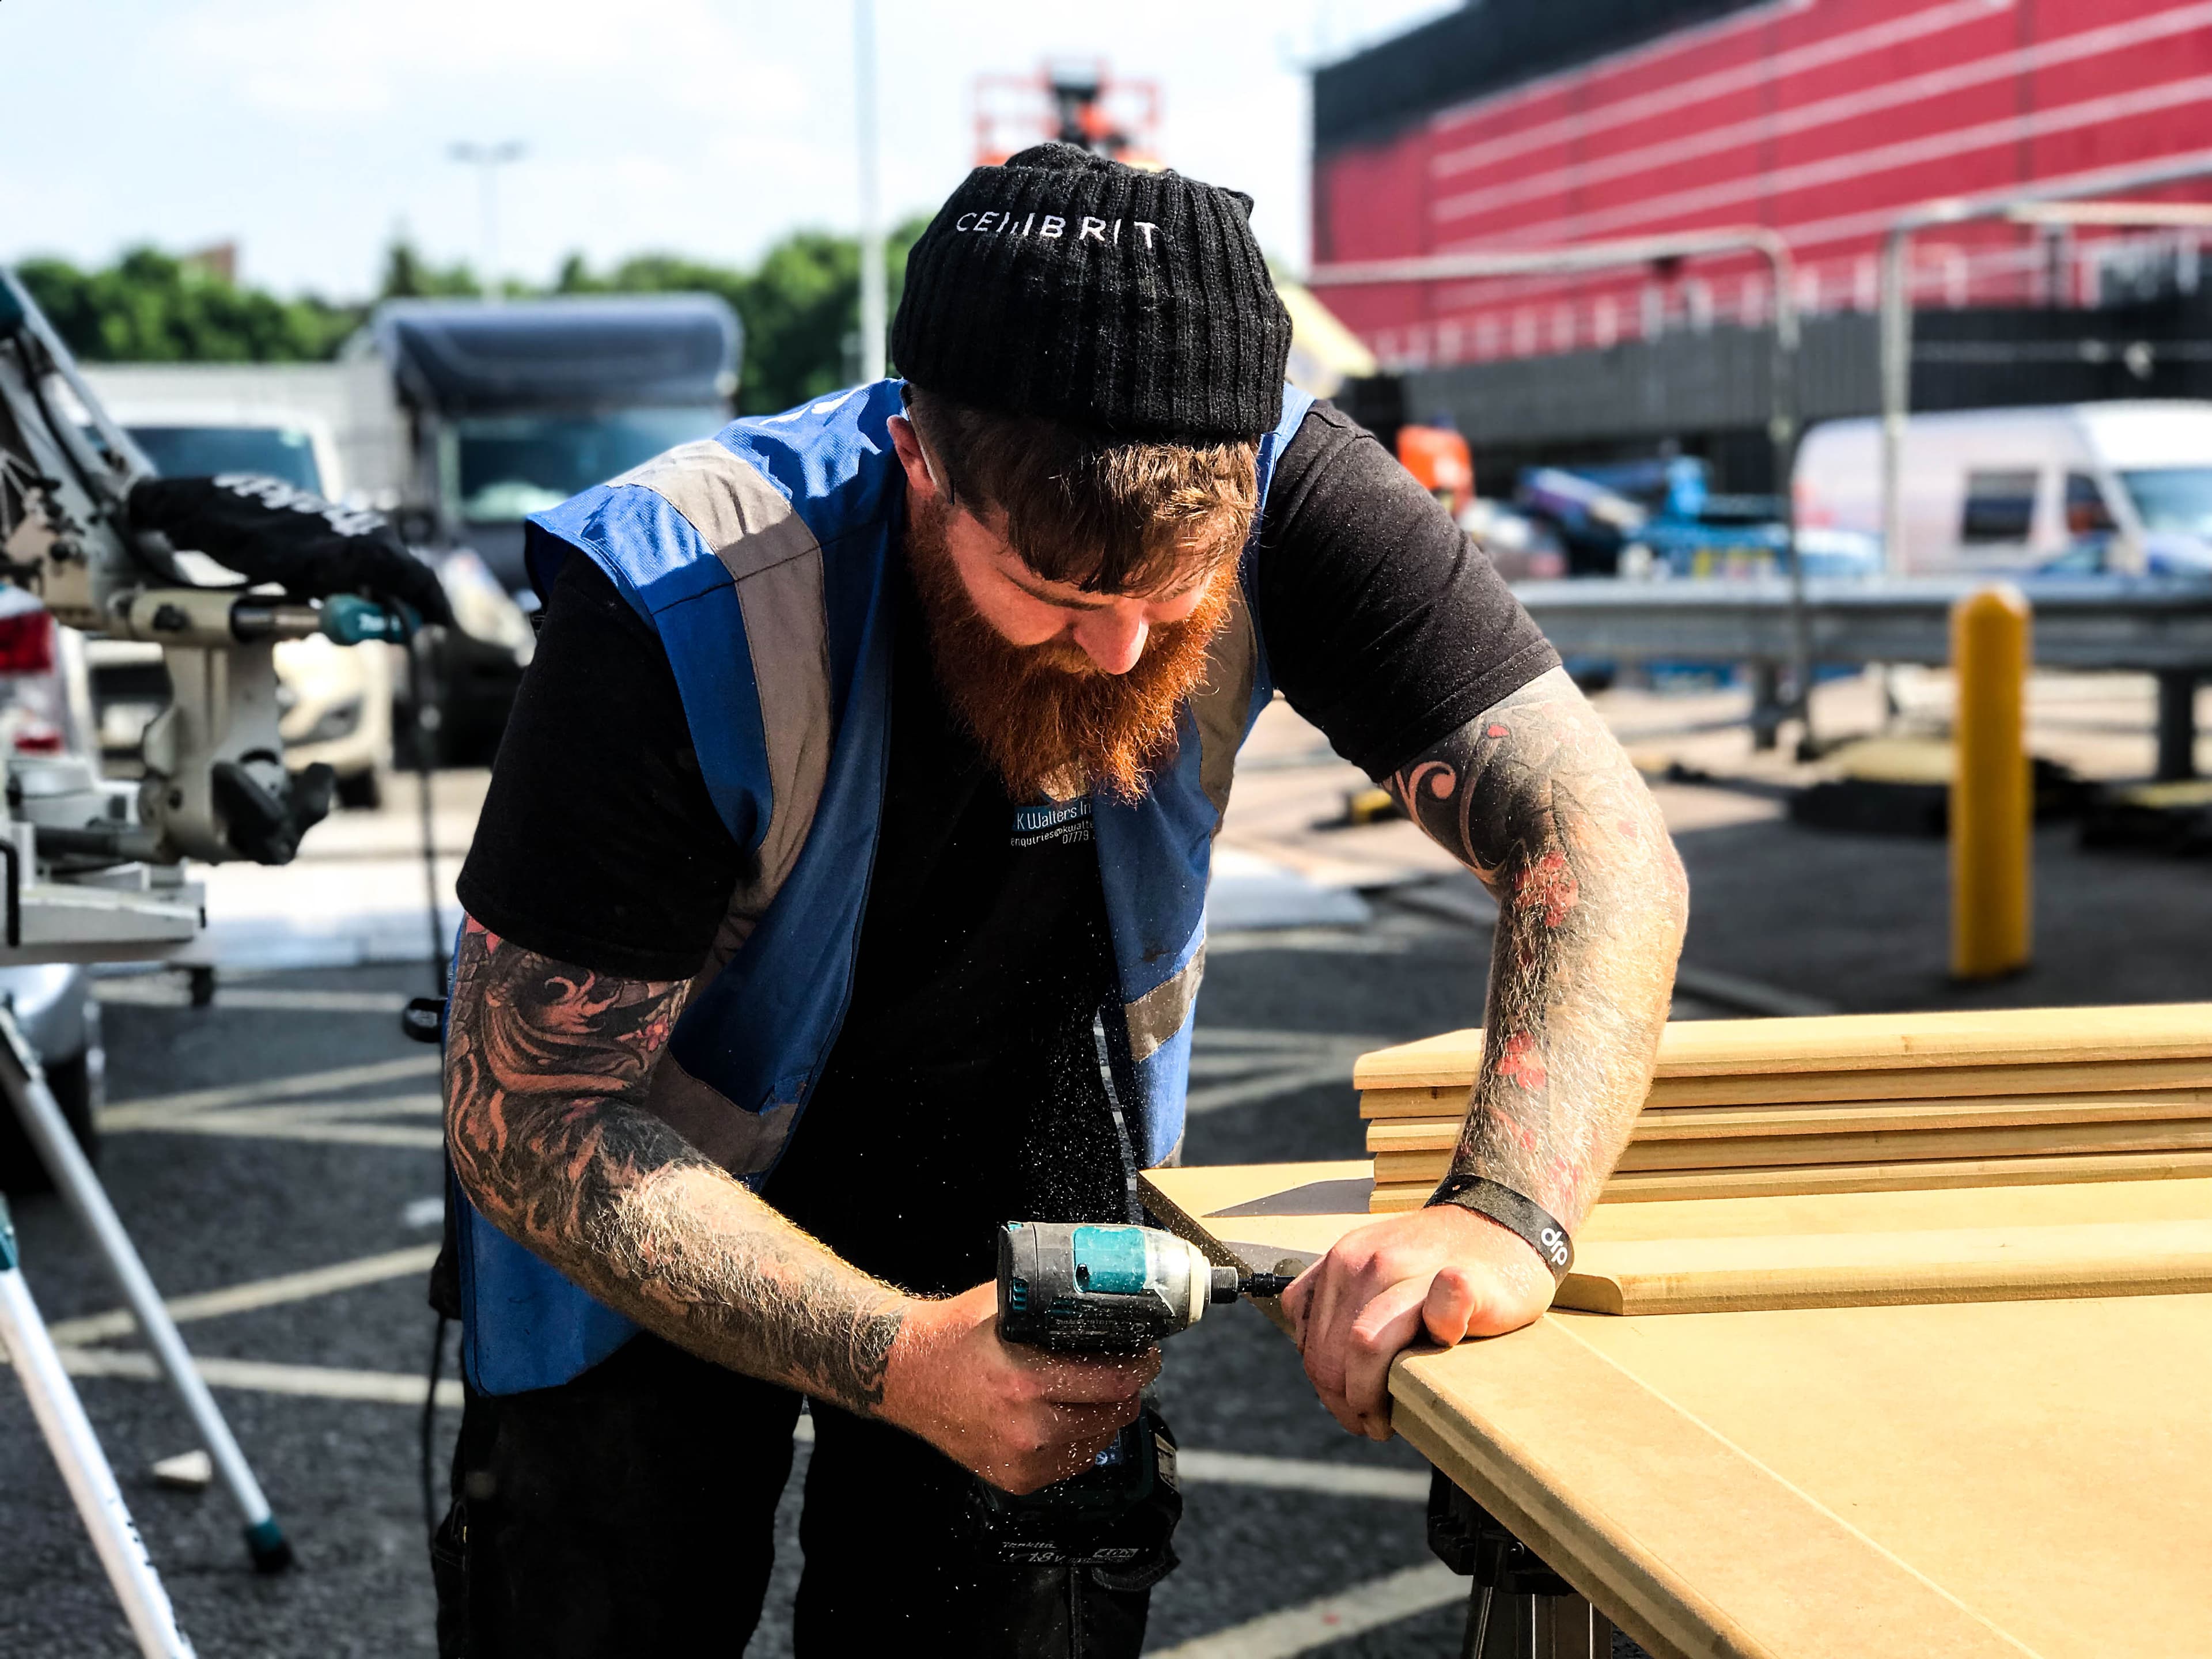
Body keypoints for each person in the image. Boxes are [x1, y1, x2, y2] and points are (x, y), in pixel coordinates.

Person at [431, 142, 1685, 1658]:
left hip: (1017, 1161)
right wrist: (894, 1355)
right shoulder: (680, 585)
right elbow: (533, 1117)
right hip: (656, 1171)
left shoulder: (1298, 481)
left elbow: (1599, 837)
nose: (1120, 654)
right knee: (603, 1594)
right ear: (919, 466)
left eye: (1178, 598)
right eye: (1060, 597)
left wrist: (1504, 1212)